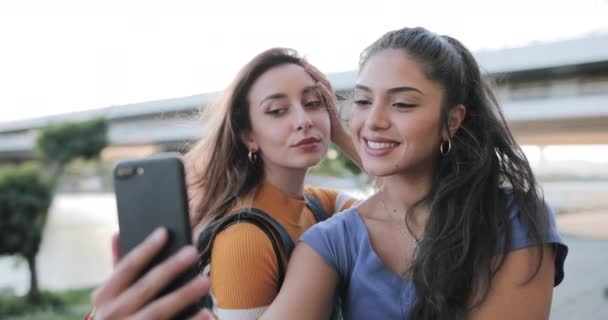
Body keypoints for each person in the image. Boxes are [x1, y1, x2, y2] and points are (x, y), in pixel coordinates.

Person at [262, 27, 568, 320]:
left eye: (402, 104)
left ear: (451, 121)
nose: (373, 120)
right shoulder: (331, 242)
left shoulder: (513, 219)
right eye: (363, 101)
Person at [87, 48, 359, 320]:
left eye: (313, 103)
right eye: (277, 110)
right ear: (248, 136)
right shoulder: (245, 237)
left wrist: (339, 133)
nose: (303, 121)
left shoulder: (317, 204)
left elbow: (398, 205)